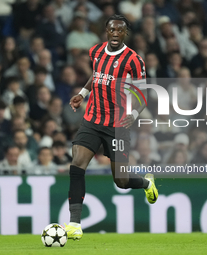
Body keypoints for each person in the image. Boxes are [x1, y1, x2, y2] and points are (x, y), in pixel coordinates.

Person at [64, 15, 158, 240]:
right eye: (111, 29)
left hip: (117, 125)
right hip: (92, 120)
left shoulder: (134, 60)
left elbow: (143, 93)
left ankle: (146, 182)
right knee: (77, 165)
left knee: (121, 180)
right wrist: (82, 94)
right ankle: (74, 224)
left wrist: (134, 114)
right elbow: (96, 75)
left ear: (126, 33)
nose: (115, 33)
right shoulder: (96, 51)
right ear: (106, 31)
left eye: (120, 30)